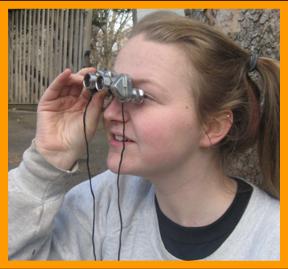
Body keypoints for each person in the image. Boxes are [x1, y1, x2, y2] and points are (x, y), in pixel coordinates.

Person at [8, 11, 279, 261]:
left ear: (214, 126)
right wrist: (46, 161)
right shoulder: (102, 203)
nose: (111, 111)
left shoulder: (270, 242)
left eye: (140, 96)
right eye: (115, 90)